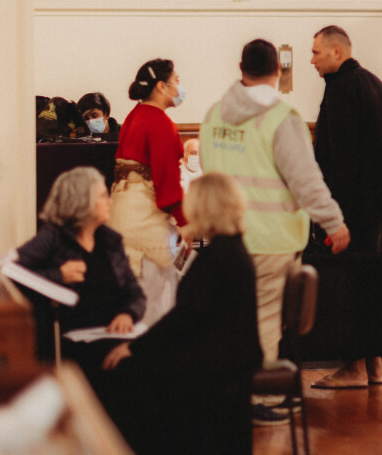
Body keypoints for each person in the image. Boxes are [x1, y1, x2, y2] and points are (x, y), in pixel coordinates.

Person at [200, 39, 348, 422]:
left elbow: (207, 171)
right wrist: (334, 222)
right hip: (270, 238)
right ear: (278, 70)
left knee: (231, 318)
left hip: (222, 239)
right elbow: (305, 181)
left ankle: (229, 393)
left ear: (240, 68)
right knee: (265, 319)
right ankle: (258, 398)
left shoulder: (215, 115)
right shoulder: (282, 118)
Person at [99, 172, 263, 453]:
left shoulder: (216, 258)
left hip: (215, 363)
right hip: (231, 357)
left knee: (128, 371)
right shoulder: (231, 247)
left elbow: (186, 317)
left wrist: (135, 347)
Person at [310, 25, 382, 387]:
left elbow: (341, 158)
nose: (312, 60)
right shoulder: (375, 84)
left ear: (337, 51)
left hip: (353, 209)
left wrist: (331, 216)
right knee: (371, 285)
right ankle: (375, 367)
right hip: (381, 206)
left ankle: (353, 369)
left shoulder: (341, 88)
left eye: (316, 52)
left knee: (349, 287)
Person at [16, 167, 145, 381]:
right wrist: (58, 275)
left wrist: (128, 313)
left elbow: (135, 293)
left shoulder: (111, 241)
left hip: (113, 335)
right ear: (82, 201)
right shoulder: (53, 237)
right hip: (71, 342)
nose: (110, 202)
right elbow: (11, 273)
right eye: (102, 196)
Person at [109, 58, 187, 326]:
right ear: (161, 87)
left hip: (121, 215)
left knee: (131, 303)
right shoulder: (160, 123)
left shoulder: (135, 115)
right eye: (177, 81)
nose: (180, 87)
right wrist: (186, 222)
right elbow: (167, 185)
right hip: (145, 222)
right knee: (155, 308)